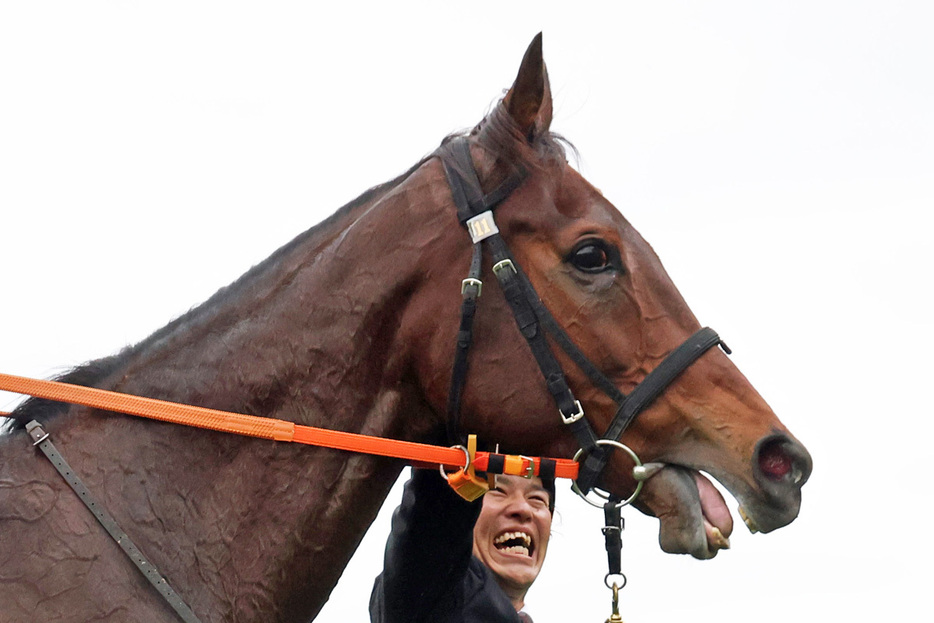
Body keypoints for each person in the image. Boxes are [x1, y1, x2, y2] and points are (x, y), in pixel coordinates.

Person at [369, 466, 555, 623]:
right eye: (498, 490)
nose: (523, 509)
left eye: (537, 498)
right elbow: (430, 523)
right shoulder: (426, 596)